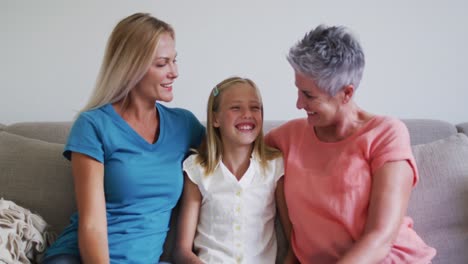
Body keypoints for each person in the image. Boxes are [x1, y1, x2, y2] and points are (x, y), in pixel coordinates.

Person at [265, 25, 436, 263]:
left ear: (346, 93)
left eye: (309, 95)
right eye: (298, 90)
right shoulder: (288, 137)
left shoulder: (385, 134)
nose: (298, 103)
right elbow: (232, 150)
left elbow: (380, 238)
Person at [42, 13, 205, 263]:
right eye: (162, 64)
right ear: (132, 67)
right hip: (82, 257)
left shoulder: (184, 126)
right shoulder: (93, 125)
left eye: (174, 61)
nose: (175, 72)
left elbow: (232, 157)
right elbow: (92, 224)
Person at [173, 77, 292, 263]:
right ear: (215, 119)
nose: (247, 114)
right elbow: (182, 250)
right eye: (236, 108)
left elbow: (294, 243)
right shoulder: (197, 170)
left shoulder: (274, 166)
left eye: (255, 107)